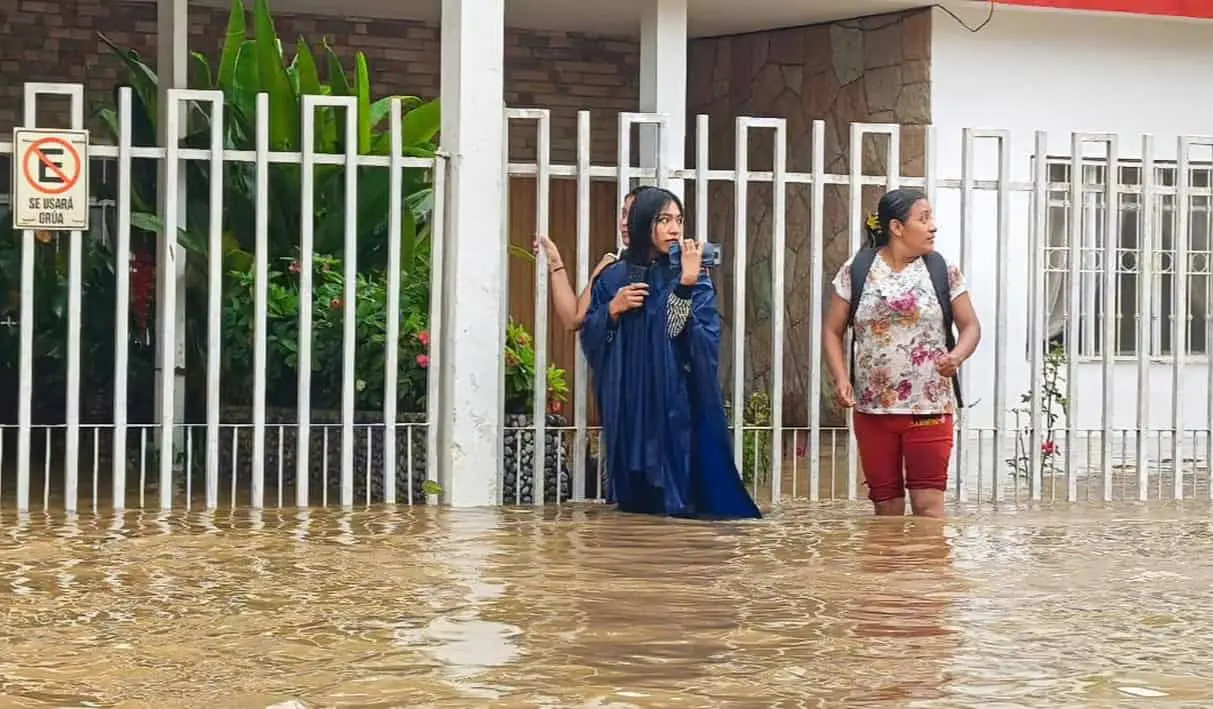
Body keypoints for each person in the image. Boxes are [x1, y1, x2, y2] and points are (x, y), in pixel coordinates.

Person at [581, 186, 762, 520]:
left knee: (680, 500)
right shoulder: (614, 277)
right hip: (631, 403)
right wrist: (612, 310)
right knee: (635, 513)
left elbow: (690, 335)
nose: (675, 228)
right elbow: (591, 334)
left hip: (676, 401)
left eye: (679, 219)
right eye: (664, 220)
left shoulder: (692, 274)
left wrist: (685, 285)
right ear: (642, 223)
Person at [822, 188, 981, 519]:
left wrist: (958, 356)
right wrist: (840, 379)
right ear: (896, 227)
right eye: (924, 219)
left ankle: (930, 573)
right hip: (873, 412)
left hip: (929, 408)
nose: (933, 227)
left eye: (932, 218)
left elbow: (970, 327)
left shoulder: (942, 270)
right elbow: (833, 330)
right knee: (886, 510)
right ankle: (890, 571)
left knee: (928, 508)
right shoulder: (857, 270)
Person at [535, 186, 643, 332]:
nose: (624, 222)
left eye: (632, 216)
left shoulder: (673, 265)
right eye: (623, 215)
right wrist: (555, 262)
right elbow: (573, 319)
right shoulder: (611, 262)